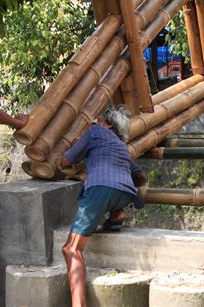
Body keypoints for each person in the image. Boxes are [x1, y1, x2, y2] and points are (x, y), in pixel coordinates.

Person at [61, 106, 146, 306]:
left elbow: (66, 160)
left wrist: (75, 148)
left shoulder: (94, 132)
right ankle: (117, 213)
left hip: (100, 189)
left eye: (99, 120)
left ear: (107, 124)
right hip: (126, 193)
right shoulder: (121, 147)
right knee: (112, 196)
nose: (95, 122)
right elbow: (141, 176)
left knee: (71, 249)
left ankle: (78, 304)